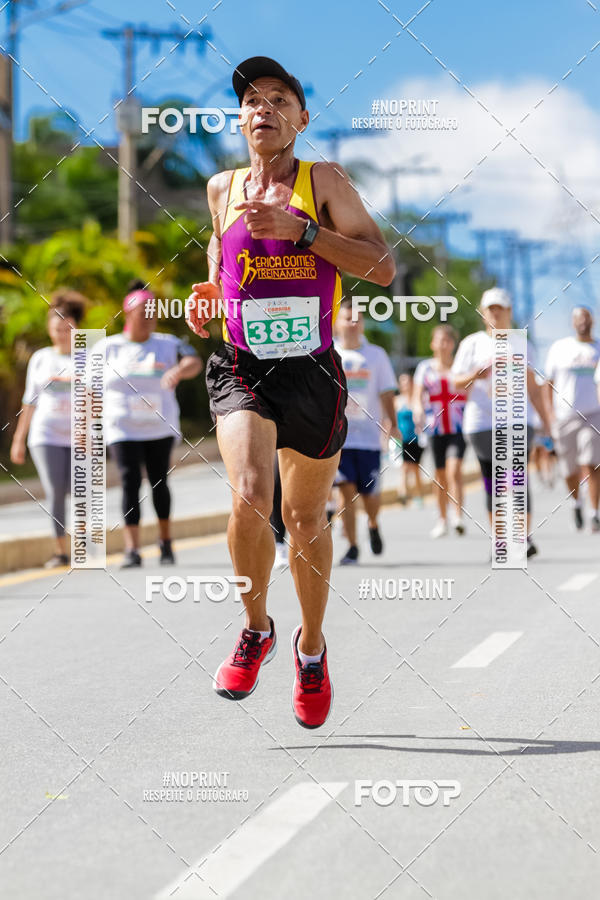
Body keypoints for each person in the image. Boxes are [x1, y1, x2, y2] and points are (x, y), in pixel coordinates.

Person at [185, 56, 395, 728]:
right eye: (252, 99)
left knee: (304, 522)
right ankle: (256, 629)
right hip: (243, 363)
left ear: (302, 119)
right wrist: (210, 296)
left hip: (312, 369)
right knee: (250, 492)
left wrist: (305, 231)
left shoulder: (323, 181)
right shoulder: (221, 189)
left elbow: (384, 268)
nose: (263, 108)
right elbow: (223, 266)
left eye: (280, 98)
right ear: (240, 118)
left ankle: (310, 647)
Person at [99, 281, 202, 568]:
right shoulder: (108, 347)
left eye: (152, 312)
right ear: (127, 314)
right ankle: (132, 549)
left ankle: (166, 543)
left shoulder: (168, 343)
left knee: (159, 482)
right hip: (123, 428)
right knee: (129, 481)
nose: (148, 318)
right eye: (142, 312)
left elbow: (194, 361)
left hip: (159, 426)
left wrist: (180, 370)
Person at [452, 287, 550, 558]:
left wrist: (546, 422)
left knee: (515, 477)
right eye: (490, 308)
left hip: (519, 420)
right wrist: (475, 374)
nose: (495, 313)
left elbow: (534, 387)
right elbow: (456, 382)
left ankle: (521, 537)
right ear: (483, 314)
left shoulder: (523, 343)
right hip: (481, 422)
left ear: (509, 312)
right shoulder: (472, 343)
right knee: (493, 480)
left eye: (500, 308)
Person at [10, 290, 87, 568]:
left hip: (80, 435)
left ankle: (82, 546)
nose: (61, 334)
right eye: (56, 329)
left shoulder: (89, 356)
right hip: (45, 435)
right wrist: (19, 439)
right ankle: (60, 550)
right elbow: (29, 400)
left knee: (79, 490)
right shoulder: (40, 358)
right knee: (54, 491)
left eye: (66, 328)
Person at [333, 298, 398, 565]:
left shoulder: (376, 355)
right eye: (347, 318)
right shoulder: (328, 353)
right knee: (345, 490)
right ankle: (352, 546)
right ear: (336, 322)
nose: (352, 323)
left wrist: (392, 424)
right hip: (339, 438)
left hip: (369, 438)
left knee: (369, 494)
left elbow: (386, 392)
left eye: (357, 318)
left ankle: (372, 523)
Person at [545, 307, 600, 531]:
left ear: (592, 321)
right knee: (569, 470)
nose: (583, 322)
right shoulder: (560, 348)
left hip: (593, 414)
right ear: (572, 322)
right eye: (578, 318)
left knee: (591, 462)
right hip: (565, 416)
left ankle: (594, 512)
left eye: (586, 318)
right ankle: (576, 502)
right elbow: (547, 384)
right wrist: (549, 416)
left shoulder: (598, 348)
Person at [413, 324, 467, 538]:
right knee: (440, 474)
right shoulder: (425, 368)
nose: (444, 345)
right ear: (432, 344)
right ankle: (442, 519)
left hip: (458, 427)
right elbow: (417, 394)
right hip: (435, 428)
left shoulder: (461, 368)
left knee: (454, 470)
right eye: (440, 340)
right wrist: (417, 409)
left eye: (448, 340)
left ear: (453, 344)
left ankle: (457, 516)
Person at [394, 373, 425, 507]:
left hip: (416, 439)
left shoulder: (416, 400)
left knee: (415, 467)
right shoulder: (397, 400)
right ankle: (403, 492)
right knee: (405, 466)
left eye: (407, 382)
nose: (405, 385)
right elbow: (391, 419)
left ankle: (418, 494)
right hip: (401, 439)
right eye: (402, 382)